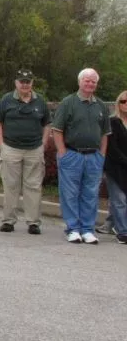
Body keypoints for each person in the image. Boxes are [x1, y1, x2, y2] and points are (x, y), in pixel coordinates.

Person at [52, 68, 110, 244]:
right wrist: (62, 153)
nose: (90, 83)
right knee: (69, 194)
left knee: (90, 194)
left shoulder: (100, 105)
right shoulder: (68, 103)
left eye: (93, 81)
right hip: (72, 155)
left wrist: (101, 155)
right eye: (87, 80)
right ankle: (72, 229)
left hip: (93, 157)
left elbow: (105, 133)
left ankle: (87, 229)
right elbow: (57, 130)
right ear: (79, 82)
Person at [0, 69, 50, 234]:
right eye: (22, 81)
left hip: (34, 149)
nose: (25, 84)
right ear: (16, 83)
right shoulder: (6, 100)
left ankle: (33, 222)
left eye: (28, 81)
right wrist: (1, 144)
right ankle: (8, 221)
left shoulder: (40, 101)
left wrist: (44, 142)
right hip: (11, 148)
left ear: (32, 83)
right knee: (11, 186)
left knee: (33, 186)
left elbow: (47, 123)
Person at [104, 90, 127, 244]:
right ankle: (123, 232)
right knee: (119, 199)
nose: (126, 104)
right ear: (118, 104)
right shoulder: (113, 122)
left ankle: (111, 224)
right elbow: (112, 148)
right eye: (123, 101)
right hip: (115, 167)